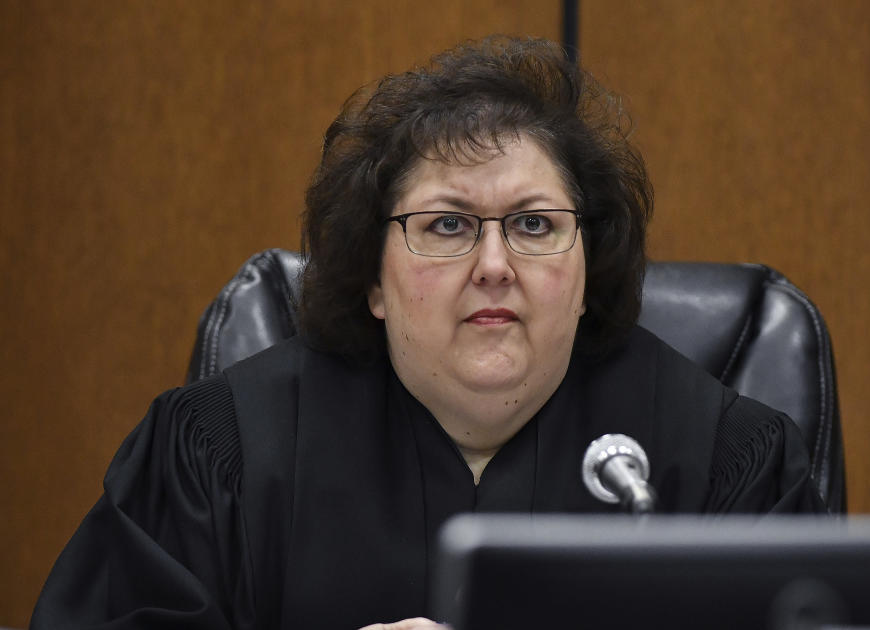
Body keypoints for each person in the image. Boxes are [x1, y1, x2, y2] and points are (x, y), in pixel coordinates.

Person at [31, 36, 824, 630]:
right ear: (374, 279)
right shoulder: (220, 453)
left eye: (534, 224)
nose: (493, 264)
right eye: (446, 224)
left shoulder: (726, 463)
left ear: (588, 271)